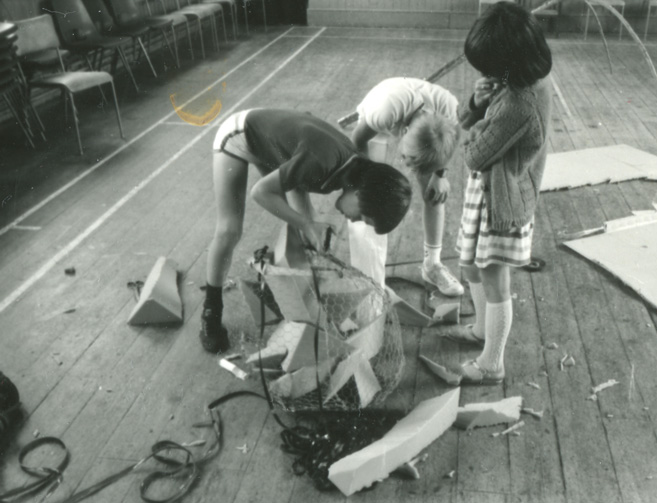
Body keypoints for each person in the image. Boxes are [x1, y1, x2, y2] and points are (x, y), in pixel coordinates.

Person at [201, 108, 412, 353]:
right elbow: (260, 192)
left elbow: (300, 179)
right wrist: (305, 224)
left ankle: (298, 300)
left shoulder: (350, 167)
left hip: (279, 144)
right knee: (229, 230)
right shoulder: (323, 162)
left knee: (309, 233)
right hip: (239, 133)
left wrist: (307, 225)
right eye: (362, 216)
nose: (354, 220)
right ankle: (210, 313)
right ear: (360, 191)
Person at [451, 2, 553, 384]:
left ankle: (492, 363)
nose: (484, 74)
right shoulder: (521, 81)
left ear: (510, 62)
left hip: (502, 200)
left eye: (489, 68)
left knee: (494, 278)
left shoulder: (517, 102)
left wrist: (481, 120)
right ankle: (481, 329)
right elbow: (469, 121)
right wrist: (478, 102)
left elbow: (475, 155)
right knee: (469, 265)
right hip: (490, 192)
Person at [352, 78, 463, 296]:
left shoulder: (450, 110)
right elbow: (357, 140)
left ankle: (432, 265)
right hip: (383, 103)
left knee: (434, 194)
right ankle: (366, 271)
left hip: (417, 106)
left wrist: (440, 175)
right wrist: (365, 177)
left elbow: (451, 144)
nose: (408, 167)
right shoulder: (381, 114)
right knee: (369, 198)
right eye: (406, 158)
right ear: (403, 134)